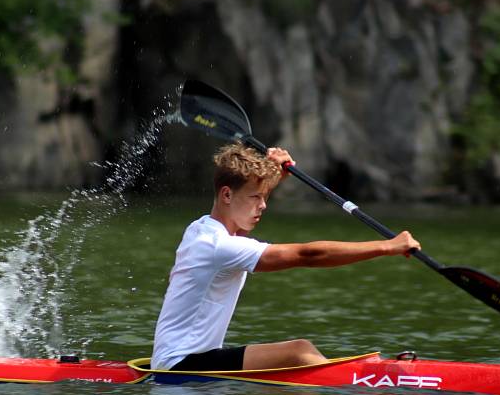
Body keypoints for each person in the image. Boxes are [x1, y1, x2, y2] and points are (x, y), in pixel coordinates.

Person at [151, 143, 421, 371]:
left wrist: (272, 179)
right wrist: (388, 247)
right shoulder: (218, 246)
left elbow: (240, 226)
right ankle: (355, 388)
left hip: (187, 359)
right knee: (298, 352)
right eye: (256, 197)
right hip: (179, 366)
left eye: (264, 196)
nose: (264, 205)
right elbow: (308, 255)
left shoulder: (201, 228)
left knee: (297, 355)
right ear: (226, 195)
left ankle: (342, 380)